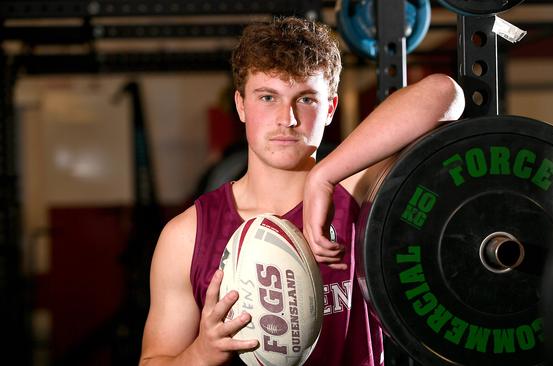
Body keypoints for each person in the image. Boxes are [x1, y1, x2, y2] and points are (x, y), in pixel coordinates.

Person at [139, 16, 464, 366]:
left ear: (330, 109)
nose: (287, 119)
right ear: (241, 105)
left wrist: (322, 176)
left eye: (306, 99)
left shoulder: (354, 191)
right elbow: (155, 360)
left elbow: (445, 94)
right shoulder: (187, 235)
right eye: (267, 97)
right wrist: (200, 354)